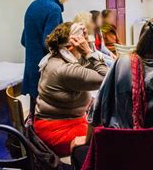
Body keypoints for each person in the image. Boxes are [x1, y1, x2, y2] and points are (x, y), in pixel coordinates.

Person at [71, 18, 153, 170]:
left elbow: (99, 105)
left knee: (78, 150)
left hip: (120, 150)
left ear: (141, 37)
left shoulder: (122, 63)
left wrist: (87, 139)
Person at [33, 22, 108, 157]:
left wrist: (88, 45)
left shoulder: (56, 58)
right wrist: (88, 52)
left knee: (104, 127)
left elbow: (85, 65)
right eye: (82, 41)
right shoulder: (65, 70)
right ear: (73, 45)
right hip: (58, 130)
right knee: (106, 137)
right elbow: (106, 78)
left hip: (56, 122)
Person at [21, 0, 73, 112]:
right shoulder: (54, 9)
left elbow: (23, 40)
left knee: (34, 113)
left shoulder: (33, 5)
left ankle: (30, 132)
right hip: (45, 72)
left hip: (31, 68)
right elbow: (48, 43)